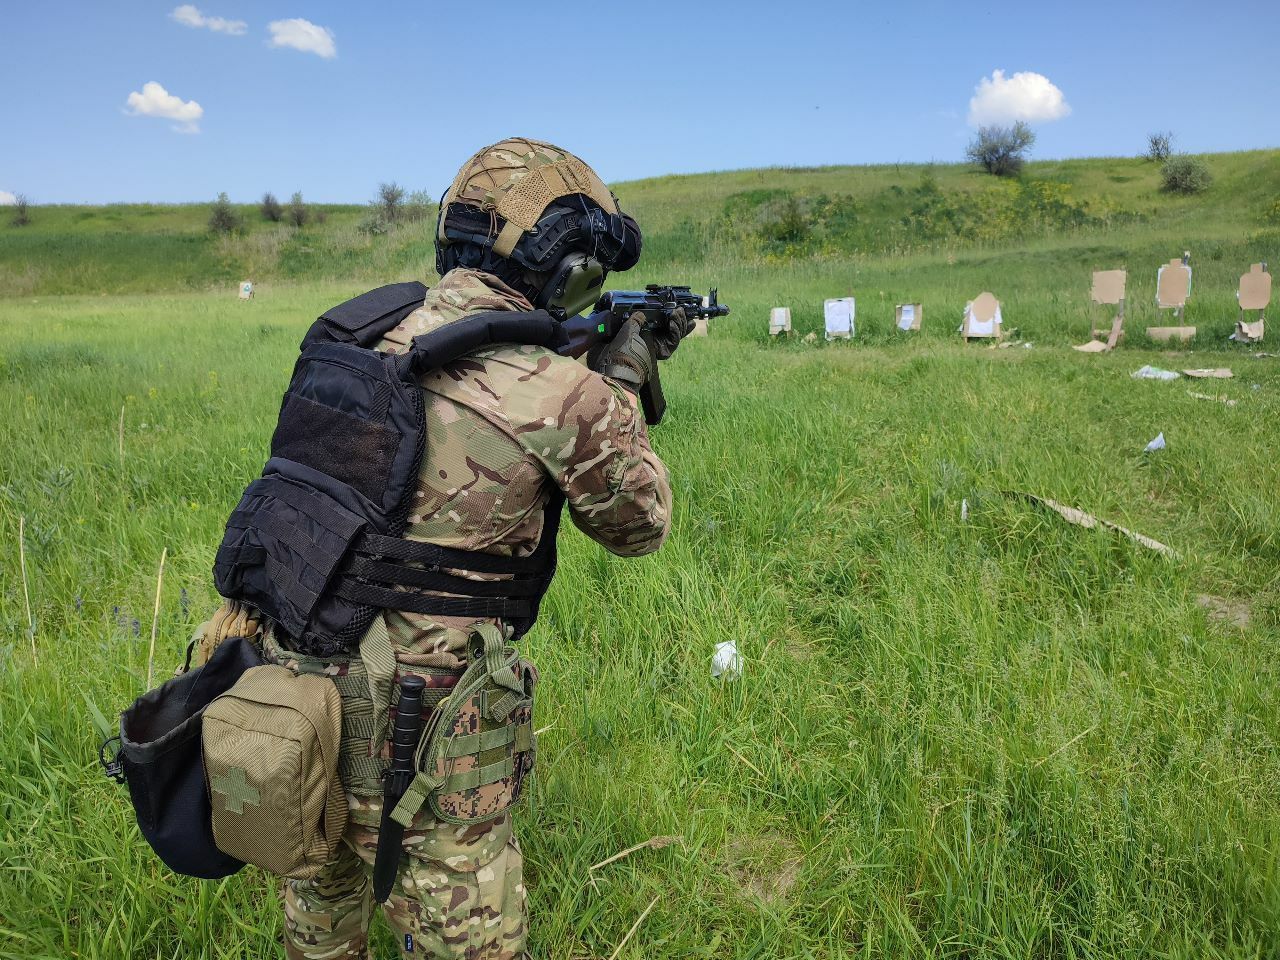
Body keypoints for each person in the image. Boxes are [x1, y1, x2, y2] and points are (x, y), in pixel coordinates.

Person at [193, 137, 690, 959]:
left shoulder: (358, 332)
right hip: (424, 733)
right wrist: (624, 379)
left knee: (320, 895)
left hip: (291, 698)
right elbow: (640, 526)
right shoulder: (567, 394)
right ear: (570, 271)